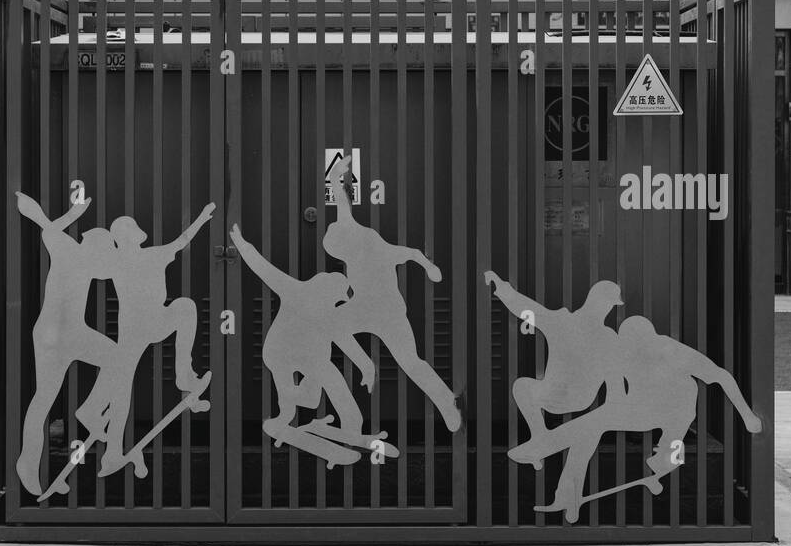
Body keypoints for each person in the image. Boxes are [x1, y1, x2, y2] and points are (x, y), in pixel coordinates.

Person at [510, 309, 764, 523]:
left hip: (675, 410)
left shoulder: (670, 350)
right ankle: (567, 491)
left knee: (673, 411)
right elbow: (615, 397)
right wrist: (606, 413)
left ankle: (666, 456)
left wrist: (747, 415)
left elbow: (721, 376)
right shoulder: (622, 352)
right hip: (643, 408)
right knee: (592, 424)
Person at [325, 155, 461, 432]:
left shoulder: (368, 243)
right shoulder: (350, 231)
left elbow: (411, 253)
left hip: (388, 312)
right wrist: (338, 173)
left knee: (410, 362)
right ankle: (365, 366)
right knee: (331, 323)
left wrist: (430, 267)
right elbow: (341, 201)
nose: (342, 256)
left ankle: (447, 402)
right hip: (364, 307)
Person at [94, 204, 214, 477]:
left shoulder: (120, 261)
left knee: (121, 392)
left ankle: (112, 451)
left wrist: (201, 217)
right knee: (185, 307)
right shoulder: (151, 256)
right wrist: (201, 217)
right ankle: (184, 376)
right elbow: (182, 241)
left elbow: (181, 241)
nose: (139, 229)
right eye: (132, 227)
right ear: (128, 236)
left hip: (135, 329)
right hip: (149, 324)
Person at [230, 222, 376, 444]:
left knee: (313, 398)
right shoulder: (295, 290)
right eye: (336, 298)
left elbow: (346, 342)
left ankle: (352, 426)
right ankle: (284, 417)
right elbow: (263, 268)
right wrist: (241, 245)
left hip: (309, 356)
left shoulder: (329, 312)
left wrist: (366, 366)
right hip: (281, 354)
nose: (336, 304)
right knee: (290, 408)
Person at [15, 193, 117, 497]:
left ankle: (90, 410)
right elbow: (48, 230)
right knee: (44, 398)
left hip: (75, 332)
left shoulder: (85, 258)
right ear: (94, 246)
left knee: (115, 357)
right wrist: (74, 213)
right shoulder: (67, 249)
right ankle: (27, 465)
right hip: (51, 334)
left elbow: (47, 228)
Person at [485, 271, 623, 458]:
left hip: (554, 394)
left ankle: (540, 436)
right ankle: (541, 438)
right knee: (524, 386)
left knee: (523, 387)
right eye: (609, 305)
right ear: (602, 305)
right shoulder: (607, 337)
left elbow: (529, 310)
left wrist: (502, 288)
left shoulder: (562, 320)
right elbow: (614, 379)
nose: (608, 310)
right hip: (580, 397)